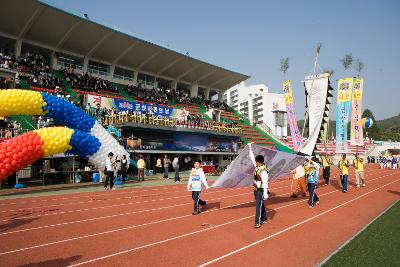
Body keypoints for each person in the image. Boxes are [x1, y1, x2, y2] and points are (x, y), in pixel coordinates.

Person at [248, 143, 269, 228]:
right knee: (260, 203)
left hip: (260, 190)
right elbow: (252, 159)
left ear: (259, 162)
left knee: (258, 205)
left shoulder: (263, 171)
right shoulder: (257, 167)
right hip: (255, 188)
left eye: (256, 162)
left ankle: (258, 222)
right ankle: (263, 217)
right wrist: (250, 148)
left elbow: (265, 182)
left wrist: (265, 193)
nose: (255, 163)